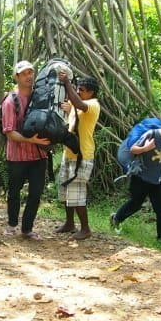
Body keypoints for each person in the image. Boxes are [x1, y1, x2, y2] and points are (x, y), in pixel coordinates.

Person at [111, 108, 161, 243]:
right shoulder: (152, 134)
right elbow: (133, 149)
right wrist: (146, 148)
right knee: (135, 203)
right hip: (141, 177)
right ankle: (116, 218)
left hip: (158, 179)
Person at [1, 60, 51, 240]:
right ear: (17, 77)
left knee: (36, 193)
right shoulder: (10, 101)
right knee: (14, 191)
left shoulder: (41, 97)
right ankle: (12, 224)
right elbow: (9, 132)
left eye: (31, 72)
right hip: (17, 156)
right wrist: (29, 139)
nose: (29, 76)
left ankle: (27, 229)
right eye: (24, 73)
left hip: (39, 154)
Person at [54, 74, 101, 240]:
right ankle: (69, 223)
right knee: (66, 190)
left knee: (77, 191)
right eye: (78, 89)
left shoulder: (92, 105)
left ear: (91, 92)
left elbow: (79, 103)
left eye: (82, 90)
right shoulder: (76, 108)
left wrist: (67, 83)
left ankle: (86, 228)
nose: (79, 92)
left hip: (83, 155)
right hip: (70, 153)